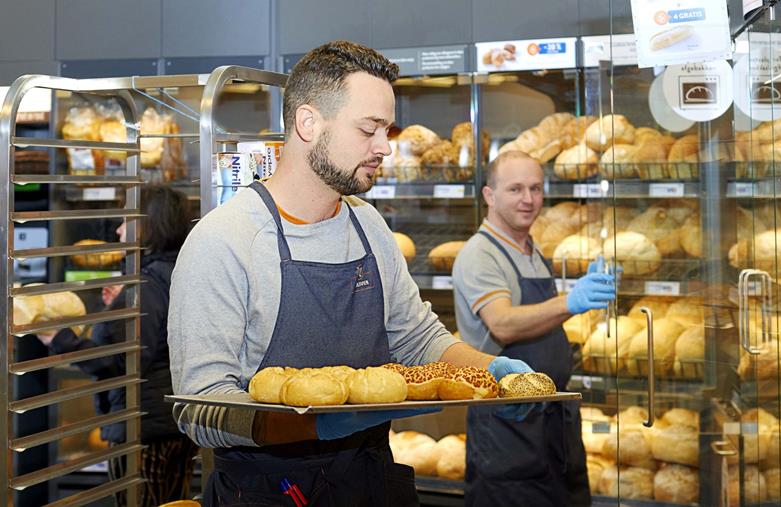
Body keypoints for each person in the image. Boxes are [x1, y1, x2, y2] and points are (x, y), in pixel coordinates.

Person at [168, 40, 534, 507]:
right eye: (369, 129)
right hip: (271, 493)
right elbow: (201, 409)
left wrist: (494, 374)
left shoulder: (368, 226)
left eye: (388, 129)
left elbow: (416, 340)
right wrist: (312, 423)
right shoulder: (227, 241)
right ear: (308, 123)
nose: (385, 147)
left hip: (369, 482)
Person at [452, 150, 616, 507]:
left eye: (536, 189)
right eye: (515, 189)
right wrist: (570, 301)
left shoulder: (530, 249)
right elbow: (503, 323)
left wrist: (573, 302)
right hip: (508, 431)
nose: (528, 199)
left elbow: (538, 319)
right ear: (489, 196)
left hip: (554, 426)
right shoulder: (480, 254)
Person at [37, 185, 198, 507]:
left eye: (128, 220)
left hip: (143, 429)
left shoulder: (146, 285)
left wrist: (60, 339)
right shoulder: (174, 271)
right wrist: (119, 308)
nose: (118, 229)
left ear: (149, 224)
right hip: (170, 422)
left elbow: (127, 362)